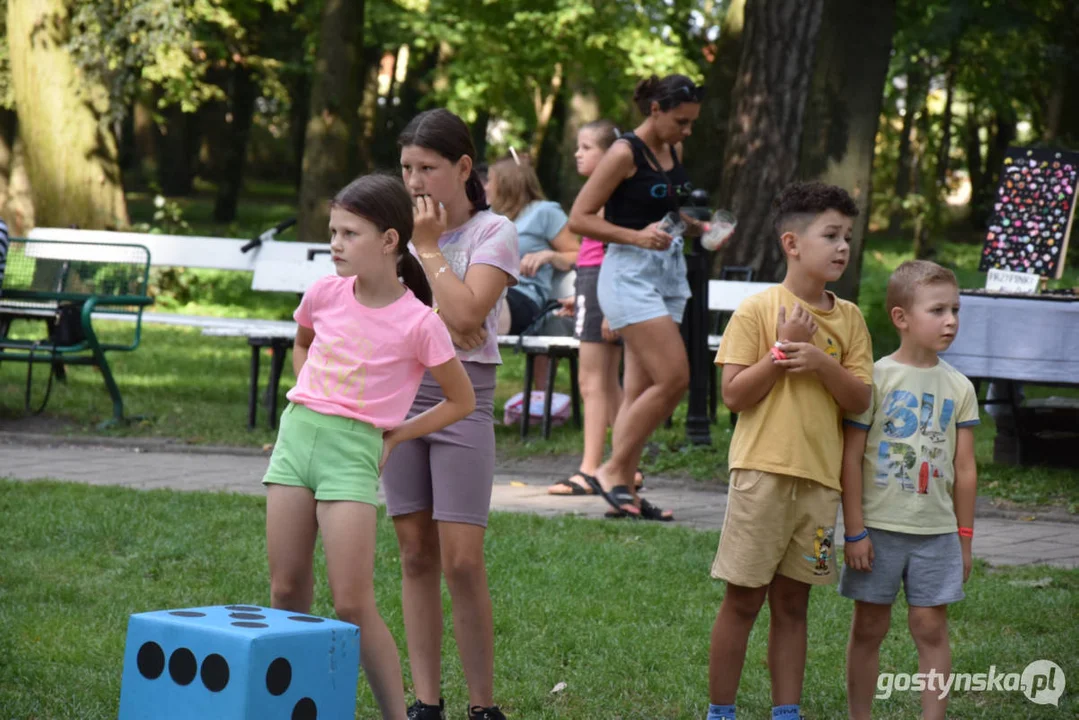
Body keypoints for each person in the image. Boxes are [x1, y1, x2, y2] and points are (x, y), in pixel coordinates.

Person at [263, 174, 476, 720]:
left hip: (354, 454)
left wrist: (397, 433)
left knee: (352, 601)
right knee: (286, 590)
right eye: (333, 231)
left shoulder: (420, 323)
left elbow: (462, 400)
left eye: (349, 233)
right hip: (296, 438)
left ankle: (397, 716)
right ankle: (289, 706)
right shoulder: (323, 293)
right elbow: (305, 340)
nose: (335, 243)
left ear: (388, 240)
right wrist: (311, 395)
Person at [706, 182, 874, 720]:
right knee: (743, 599)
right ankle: (721, 711)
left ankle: (787, 712)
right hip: (762, 474)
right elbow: (733, 395)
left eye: (847, 236)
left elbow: (859, 399)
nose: (843, 246)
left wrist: (820, 361)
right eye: (831, 235)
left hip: (819, 483)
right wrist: (780, 352)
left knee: (793, 604)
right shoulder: (758, 310)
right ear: (792, 243)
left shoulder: (849, 319)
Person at [382, 108, 519, 720]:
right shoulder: (392, 228)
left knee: (462, 559)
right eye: (407, 167)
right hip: (400, 393)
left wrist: (427, 248)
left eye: (428, 169)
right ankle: (426, 703)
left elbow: (467, 322)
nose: (415, 182)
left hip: (466, 399)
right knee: (414, 552)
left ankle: (482, 706)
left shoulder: (495, 233)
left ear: (463, 168)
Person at [840, 260, 978, 720]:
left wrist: (964, 538)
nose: (951, 320)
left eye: (955, 309)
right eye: (938, 310)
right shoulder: (873, 379)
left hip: (936, 533)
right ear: (901, 318)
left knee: (930, 627)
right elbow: (851, 457)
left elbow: (965, 467)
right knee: (869, 627)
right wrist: (855, 530)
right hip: (878, 530)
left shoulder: (959, 386)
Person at [568, 74, 708, 521]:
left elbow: (669, 211)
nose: (686, 131)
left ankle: (624, 490)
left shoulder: (674, 150)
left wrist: (699, 228)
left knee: (644, 387)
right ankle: (610, 470)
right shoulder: (624, 153)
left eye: (691, 124)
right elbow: (580, 218)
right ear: (656, 111)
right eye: (681, 122)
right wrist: (634, 236)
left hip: (667, 272)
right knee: (675, 377)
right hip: (627, 274)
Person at [546, 119, 643, 496]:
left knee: (592, 382)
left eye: (586, 147)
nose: (577, 153)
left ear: (610, 154)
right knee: (607, 383)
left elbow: (611, 250)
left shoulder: (607, 192)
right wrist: (585, 298)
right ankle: (624, 467)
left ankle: (590, 469)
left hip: (601, 281)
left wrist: (604, 303)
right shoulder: (610, 192)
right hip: (594, 283)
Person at [489, 154, 579, 391]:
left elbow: (579, 254)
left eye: (490, 180)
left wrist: (549, 256)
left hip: (523, 298)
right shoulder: (489, 216)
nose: (485, 186)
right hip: (488, 292)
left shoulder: (545, 212)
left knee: (464, 312)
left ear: (507, 183)